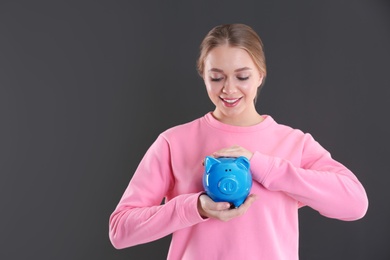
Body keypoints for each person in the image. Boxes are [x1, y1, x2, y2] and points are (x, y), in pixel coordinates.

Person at [109, 23, 368, 260]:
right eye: (216, 77)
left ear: (260, 75)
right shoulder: (173, 142)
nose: (229, 89)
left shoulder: (293, 143)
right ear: (203, 75)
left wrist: (265, 167)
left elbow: (355, 204)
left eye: (242, 77)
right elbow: (120, 231)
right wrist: (195, 207)